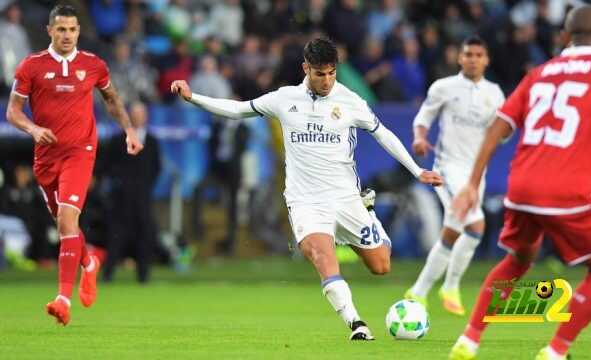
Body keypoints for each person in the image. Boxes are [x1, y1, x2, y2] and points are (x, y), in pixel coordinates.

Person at [171, 38, 443, 340]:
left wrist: (417, 171)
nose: (327, 81)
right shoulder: (285, 99)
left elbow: (383, 135)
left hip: (345, 197)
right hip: (305, 201)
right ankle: (356, 324)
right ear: (306, 68)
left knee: (381, 266)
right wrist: (193, 97)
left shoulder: (350, 100)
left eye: (331, 73)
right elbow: (238, 110)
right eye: (320, 74)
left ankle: (370, 214)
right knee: (323, 257)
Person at [448, 5, 591, 360]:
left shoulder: (540, 73)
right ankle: (555, 351)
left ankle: (470, 339)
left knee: (519, 259)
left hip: (520, 188)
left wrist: (472, 184)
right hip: (567, 192)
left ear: (564, 38)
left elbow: (498, 126)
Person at [5, 5, 143, 326]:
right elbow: (13, 112)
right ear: (50, 31)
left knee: (68, 221)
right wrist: (33, 129)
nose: (67, 35)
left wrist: (130, 131)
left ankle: (62, 299)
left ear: (79, 31)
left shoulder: (93, 65)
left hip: (80, 152)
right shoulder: (32, 66)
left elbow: (111, 99)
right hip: (46, 158)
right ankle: (89, 261)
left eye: (72, 30)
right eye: (61, 29)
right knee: (66, 227)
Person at [405, 36, 505, 316]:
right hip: (448, 169)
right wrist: (419, 139)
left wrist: (507, 130)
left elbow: (502, 132)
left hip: (476, 174)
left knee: (455, 232)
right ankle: (449, 285)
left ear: (486, 60)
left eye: (478, 54)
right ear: (460, 58)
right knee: (476, 226)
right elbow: (423, 118)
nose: (473, 59)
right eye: (468, 54)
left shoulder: (495, 94)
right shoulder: (444, 88)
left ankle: (419, 290)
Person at [102, 102, 160, 283]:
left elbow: (156, 168)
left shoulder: (152, 141)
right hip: (121, 198)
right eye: (134, 114)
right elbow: (107, 165)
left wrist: (144, 186)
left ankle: (143, 276)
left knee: (144, 235)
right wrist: (120, 183)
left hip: (142, 197)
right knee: (116, 236)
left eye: (141, 114)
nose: (138, 117)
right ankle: (108, 274)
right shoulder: (117, 140)